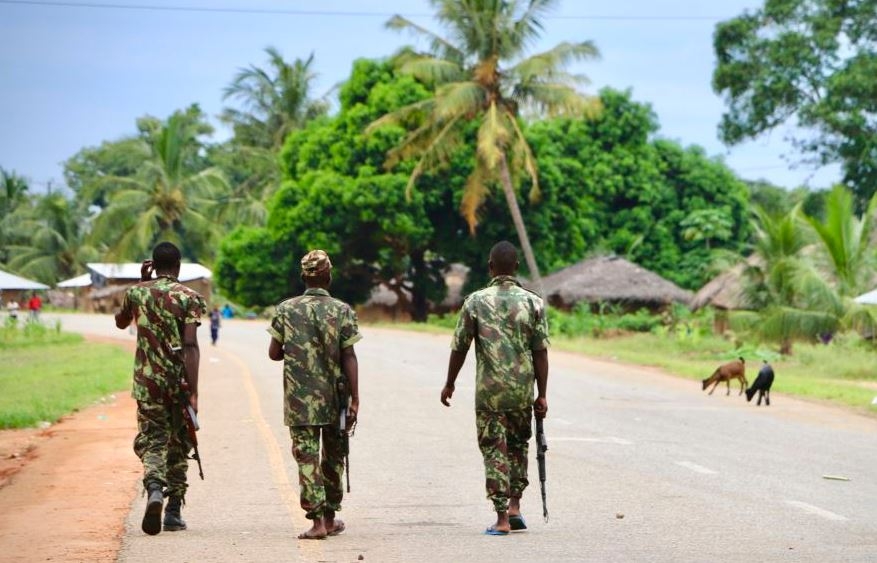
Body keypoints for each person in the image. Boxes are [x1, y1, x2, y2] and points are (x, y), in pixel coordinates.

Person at [441, 240, 549, 536]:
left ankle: (501, 519)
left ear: (491, 267)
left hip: (489, 394)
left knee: (494, 451)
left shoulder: (475, 302)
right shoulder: (533, 302)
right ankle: (515, 508)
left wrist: (450, 383)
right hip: (520, 392)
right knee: (517, 447)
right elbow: (541, 351)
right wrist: (542, 394)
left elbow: (459, 347)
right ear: (516, 267)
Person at [267, 249, 361, 540]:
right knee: (333, 457)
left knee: (306, 457)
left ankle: (317, 522)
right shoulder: (342, 310)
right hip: (335, 397)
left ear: (303, 276)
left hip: (299, 399)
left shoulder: (286, 309)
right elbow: (350, 356)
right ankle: (331, 518)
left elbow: (273, 353)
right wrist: (356, 398)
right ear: (328, 276)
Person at [114, 241, 206, 536]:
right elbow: (190, 345)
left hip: (147, 384)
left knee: (153, 440)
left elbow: (120, 322)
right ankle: (174, 512)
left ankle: (155, 488)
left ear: (152, 264)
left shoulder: (137, 293)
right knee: (180, 442)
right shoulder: (189, 297)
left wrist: (141, 282)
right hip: (178, 384)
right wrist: (193, 390)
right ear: (178, 267)